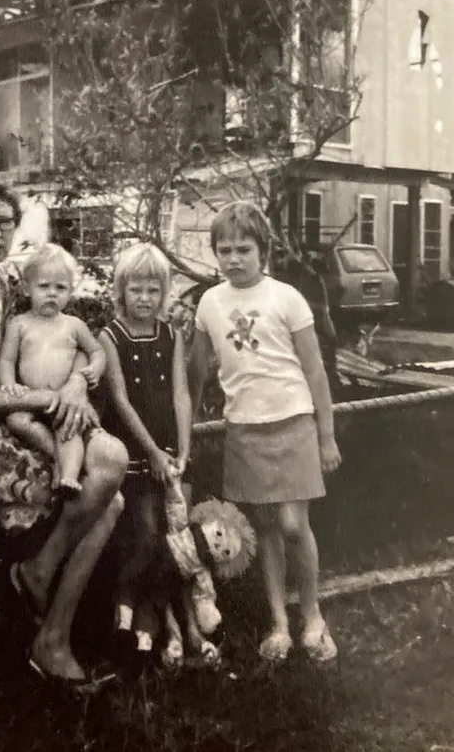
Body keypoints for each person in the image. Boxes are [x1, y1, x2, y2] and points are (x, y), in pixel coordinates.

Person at [0, 173, 128, 686]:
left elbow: (71, 339)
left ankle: (39, 587)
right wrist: (47, 399)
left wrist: (77, 385)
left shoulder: (20, 283)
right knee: (110, 499)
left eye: (4, 221)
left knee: (113, 464)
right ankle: (51, 638)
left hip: (28, 412)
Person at [188, 201, 342, 665]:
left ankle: (313, 616)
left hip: (294, 423)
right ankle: (280, 623)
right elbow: (196, 373)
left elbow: (316, 373)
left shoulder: (287, 298)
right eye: (224, 250)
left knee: (295, 525)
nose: (233, 259)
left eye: (244, 249)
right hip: (245, 431)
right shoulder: (210, 303)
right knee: (268, 530)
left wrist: (327, 435)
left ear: (264, 251)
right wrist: (187, 428)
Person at [98, 244, 210, 664]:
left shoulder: (170, 334)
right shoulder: (110, 337)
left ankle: (168, 629)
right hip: (135, 454)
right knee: (144, 536)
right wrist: (154, 453)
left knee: (178, 545)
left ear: (163, 292)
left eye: (152, 290)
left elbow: (181, 394)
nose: (143, 298)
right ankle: (122, 612)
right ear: (121, 290)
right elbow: (121, 402)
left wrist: (182, 447)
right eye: (135, 289)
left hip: (170, 455)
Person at [0, 243, 107, 496]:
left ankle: (68, 477)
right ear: (27, 288)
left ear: (71, 291)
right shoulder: (20, 324)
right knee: (16, 420)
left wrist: (94, 370)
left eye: (60, 288)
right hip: (31, 398)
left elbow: (97, 351)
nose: (52, 294)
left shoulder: (73, 325)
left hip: (63, 400)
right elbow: (6, 360)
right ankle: (56, 458)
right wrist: (8, 384)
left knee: (69, 431)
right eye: (44, 286)